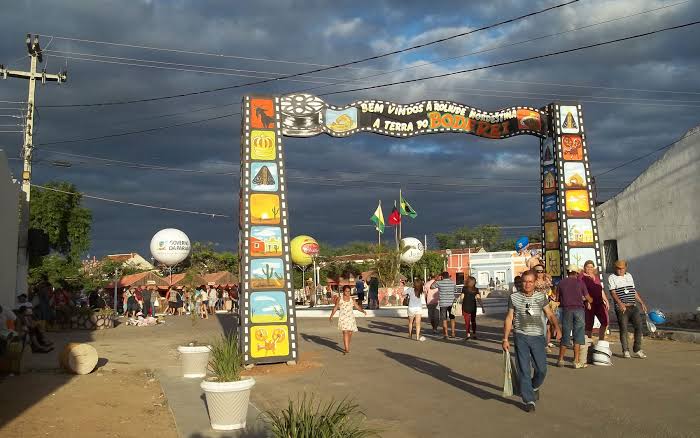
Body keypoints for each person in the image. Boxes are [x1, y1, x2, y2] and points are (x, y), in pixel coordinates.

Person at [502, 270, 561, 412]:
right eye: (525, 281)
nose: (527, 284)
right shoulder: (514, 297)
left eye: (530, 281)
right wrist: (505, 338)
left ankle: (533, 386)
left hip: (538, 337)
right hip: (520, 335)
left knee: (541, 369)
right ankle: (529, 399)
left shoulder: (541, 297)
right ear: (521, 282)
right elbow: (509, 318)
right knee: (524, 368)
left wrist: (557, 327)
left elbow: (550, 314)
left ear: (535, 283)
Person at [608, 260, 648, 359]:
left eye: (622, 268)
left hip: (633, 306)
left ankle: (637, 349)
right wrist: (620, 304)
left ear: (626, 268)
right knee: (624, 329)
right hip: (622, 308)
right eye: (618, 268)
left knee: (639, 326)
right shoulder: (612, 277)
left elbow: (633, 291)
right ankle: (625, 350)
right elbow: (613, 293)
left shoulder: (629, 276)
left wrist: (641, 302)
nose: (620, 270)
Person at [556, 265, 593, 368]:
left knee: (566, 334)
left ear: (567, 272)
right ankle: (576, 361)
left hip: (566, 310)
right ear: (577, 273)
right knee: (578, 335)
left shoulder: (561, 283)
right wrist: (590, 300)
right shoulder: (580, 282)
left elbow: (557, 298)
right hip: (579, 311)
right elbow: (588, 298)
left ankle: (560, 359)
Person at [329, 285, 366, 354]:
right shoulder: (340, 299)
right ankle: (347, 349)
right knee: (345, 332)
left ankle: (347, 345)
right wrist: (331, 316)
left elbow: (357, 306)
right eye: (346, 291)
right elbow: (336, 307)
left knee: (350, 333)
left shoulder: (352, 299)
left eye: (349, 291)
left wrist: (362, 311)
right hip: (343, 318)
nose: (348, 292)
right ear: (343, 291)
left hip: (351, 318)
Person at [580, 260, 609, 341]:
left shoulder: (596, 277)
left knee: (605, 321)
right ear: (584, 268)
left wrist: (606, 300)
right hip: (589, 303)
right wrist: (586, 301)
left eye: (591, 267)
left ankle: (601, 341)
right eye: (587, 267)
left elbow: (600, 289)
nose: (589, 268)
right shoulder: (581, 277)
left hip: (599, 303)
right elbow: (581, 291)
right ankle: (589, 344)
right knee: (589, 325)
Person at [461, 276, 485, 340]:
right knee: (473, 320)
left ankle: (468, 334)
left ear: (468, 281)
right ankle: (474, 334)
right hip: (473, 306)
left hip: (465, 306)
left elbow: (462, 298)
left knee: (467, 321)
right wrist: (482, 307)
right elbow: (479, 299)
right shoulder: (476, 289)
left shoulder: (464, 288)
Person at [435, 271, 457, 340]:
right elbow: (455, 290)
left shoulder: (439, 283)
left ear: (442, 276)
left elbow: (431, 287)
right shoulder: (453, 282)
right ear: (448, 276)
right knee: (452, 318)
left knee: (444, 319)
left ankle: (446, 334)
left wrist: (437, 279)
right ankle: (453, 333)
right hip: (451, 303)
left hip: (443, 303)